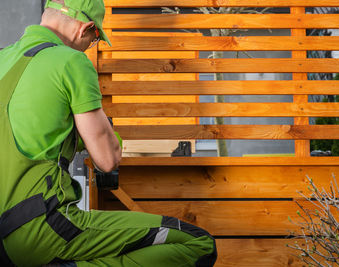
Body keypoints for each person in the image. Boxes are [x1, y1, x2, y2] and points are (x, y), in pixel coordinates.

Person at [0, 0, 217, 266]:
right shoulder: (71, 61)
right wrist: (107, 130)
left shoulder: (3, 57)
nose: (90, 47)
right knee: (198, 242)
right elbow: (107, 160)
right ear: (85, 29)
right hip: (42, 228)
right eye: (93, 40)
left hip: (4, 236)